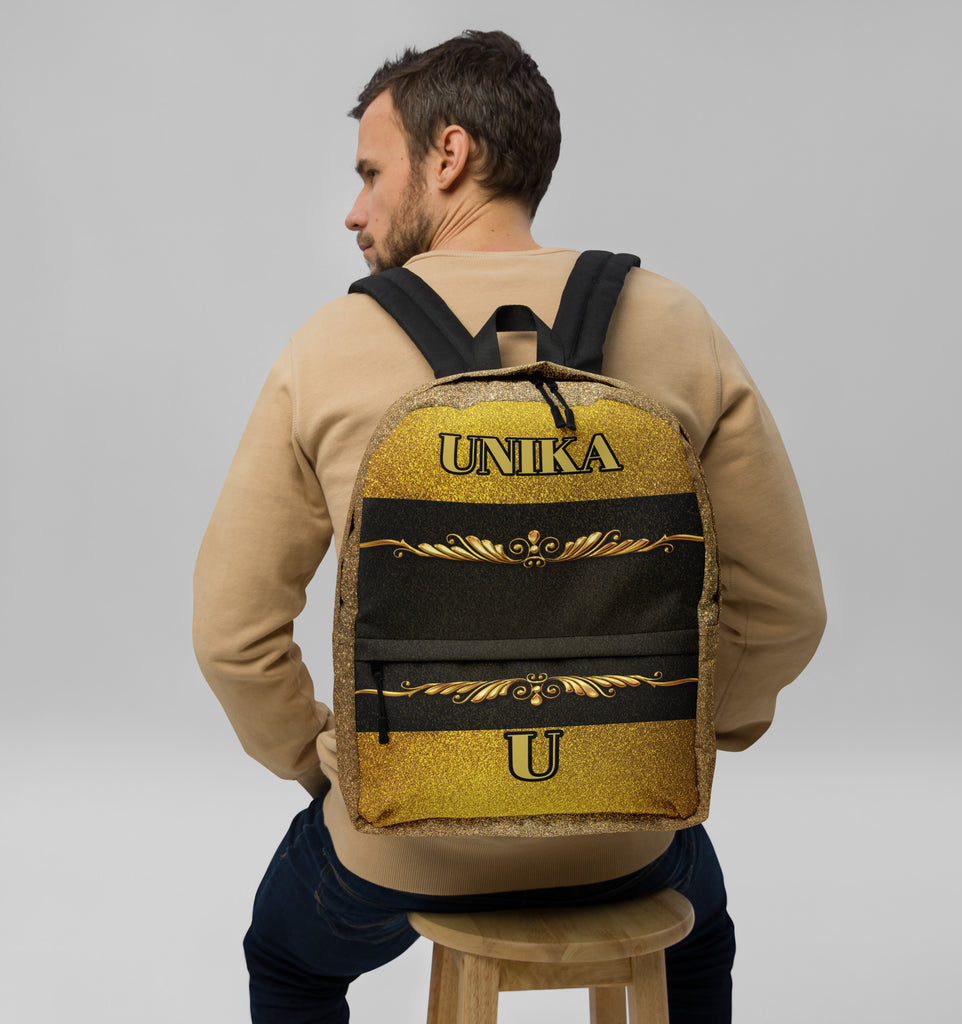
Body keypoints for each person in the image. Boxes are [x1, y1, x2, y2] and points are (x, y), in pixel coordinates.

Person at [193, 29, 826, 1024]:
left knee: (289, 961)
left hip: (401, 840)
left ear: (448, 154)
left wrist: (330, 767)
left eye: (370, 173)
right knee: (700, 935)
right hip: (625, 835)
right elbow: (786, 610)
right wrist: (684, 737)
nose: (354, 210)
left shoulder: (329, 347)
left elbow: (232, 637)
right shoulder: (676, 323)